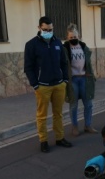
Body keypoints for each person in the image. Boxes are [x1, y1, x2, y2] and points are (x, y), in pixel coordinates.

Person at [24, 16, 72, 153]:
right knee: (42, 115)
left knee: (58, 114)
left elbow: (64, 62)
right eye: (45, 29)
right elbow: (28, 67)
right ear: (39, 28)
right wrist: (35, 84)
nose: (48, 32)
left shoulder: (57, 42)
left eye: (50, 29)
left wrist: (65, 80)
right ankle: (43, 141)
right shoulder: (31, 44)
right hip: (42, 86)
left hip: (59, 85)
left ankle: (60, 138)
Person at [63, 23, 98, 137]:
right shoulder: (65, 49)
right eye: (71, 37)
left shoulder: (84, 47)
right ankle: (74, 126)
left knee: (88, 104)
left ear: (79, 36)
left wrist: (92, 75)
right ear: (67, 38)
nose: (73, 39)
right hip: (72, 80)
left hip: (85, 79)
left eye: (75, 37)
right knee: (73, 105)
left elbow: (88, 63)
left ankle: (88, 125)